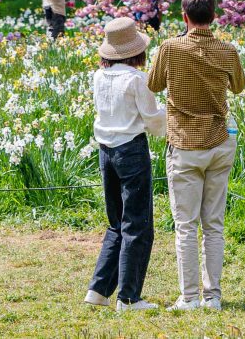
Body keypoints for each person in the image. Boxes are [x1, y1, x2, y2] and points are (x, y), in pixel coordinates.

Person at [149, 0, 245, 311]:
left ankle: (190, 297)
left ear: (184, 16)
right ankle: (213, 296)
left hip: (185, 143)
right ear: (214, 16)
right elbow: (239, 87)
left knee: (186, 225)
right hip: (219, 140)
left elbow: (153, 84)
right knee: (213, 224)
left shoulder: (170, 48)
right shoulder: (228, 50)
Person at [84, 17, 168, 311]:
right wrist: (171, 114)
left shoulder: (98, 77)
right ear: (137, 51)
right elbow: (152, 118)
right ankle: (129, 297)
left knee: (116, 223)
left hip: (105, 152)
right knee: (138, 225)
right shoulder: (136, 79)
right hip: (131, 151)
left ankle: (99, 289)